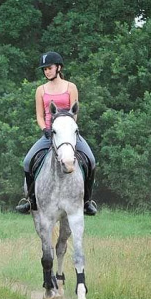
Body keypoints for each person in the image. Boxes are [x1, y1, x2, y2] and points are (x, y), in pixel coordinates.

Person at [15, 51, 97, 215]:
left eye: (49, 68)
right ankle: (30, 199)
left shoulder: (71, 87)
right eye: (44, 69)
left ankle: (87, 201)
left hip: (68, 135)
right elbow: (39, 115)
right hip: (49, 134)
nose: (47, 71)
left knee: (91, 160)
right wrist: (44, 129)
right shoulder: (40, 90)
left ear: (58, 67)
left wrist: (67, 130)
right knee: (27, 161)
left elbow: (74, 113)